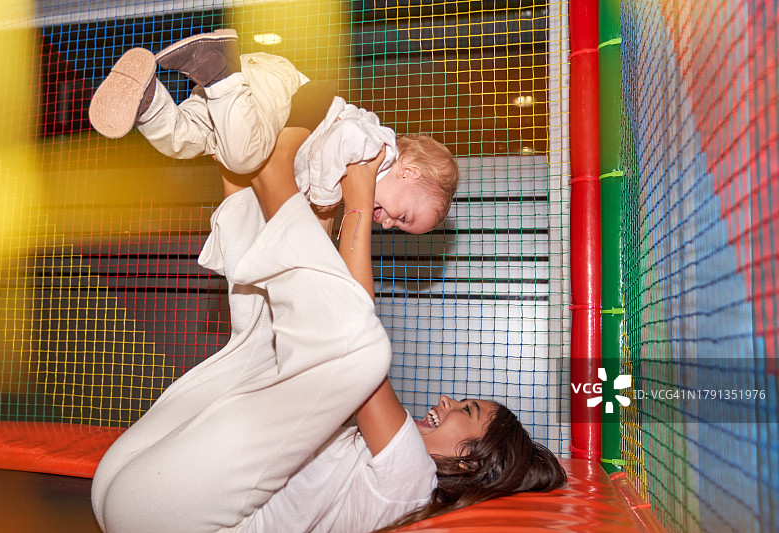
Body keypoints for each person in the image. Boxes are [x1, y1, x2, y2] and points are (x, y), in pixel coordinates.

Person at [90, 122, 566, 533]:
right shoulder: (376, 455)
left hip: (176, 519)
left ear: (469, 459)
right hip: (133, 491)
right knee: (270, 340)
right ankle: (240, 167)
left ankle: (267, 171)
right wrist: (328, 204)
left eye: (466, 408)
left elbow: (356, 340)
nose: (446, 400)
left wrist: (357, 195)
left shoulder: (414, 483)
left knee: (358, 353)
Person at [88, 29, 459, 234]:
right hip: (274, 91)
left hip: (246, 112)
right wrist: (324, 200)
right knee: (241, 156)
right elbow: (339, 142)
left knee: (184, 142)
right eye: (403, 217)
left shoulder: (360, 180)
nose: (389, 223)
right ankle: (219, 66)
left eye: (397, 227)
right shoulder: (378, 147)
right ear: (409, 172)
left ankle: (147, 99)